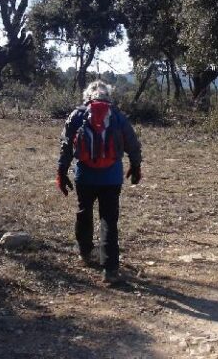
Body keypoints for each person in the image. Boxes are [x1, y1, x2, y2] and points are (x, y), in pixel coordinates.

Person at [56, 80, 142, 284]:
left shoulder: (77, 115)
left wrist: (61, 172)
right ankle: (110, 269)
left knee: (84, 212)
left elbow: (66, 146)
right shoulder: (118, 116)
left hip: (85, 176)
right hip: (112, 178)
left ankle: (86, 253)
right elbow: (133, 144)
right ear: (108, 96)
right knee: (109, 221)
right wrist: (136, 166)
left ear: (87, 96)